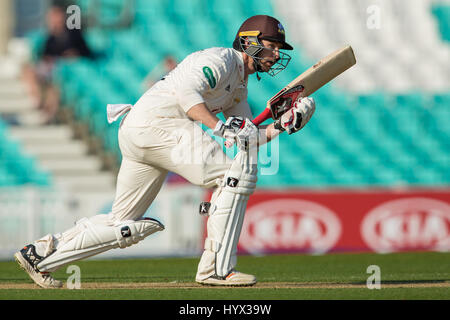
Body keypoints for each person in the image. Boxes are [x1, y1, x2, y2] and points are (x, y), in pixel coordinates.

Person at [14, 15, 316, 288]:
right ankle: (217, 270)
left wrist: (284, 125)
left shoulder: (239, 86)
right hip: (159, 125)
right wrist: (218, 126)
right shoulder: (221, 60)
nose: (277, 53)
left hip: (139, 131)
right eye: (272, 45)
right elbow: (188, 96)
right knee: (232, 175)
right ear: (249, 41)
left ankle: (40, 254)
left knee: (120, 223)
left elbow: (248, 135)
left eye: (279, 48)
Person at [22, 3, 92, 124]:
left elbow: (82, 53)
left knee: (56, 80)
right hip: (51, 66)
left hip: (64, 69)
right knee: (29, 69)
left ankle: (49, 112)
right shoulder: (50, 37)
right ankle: (37, 101)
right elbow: (45, 56)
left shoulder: (73, 34)